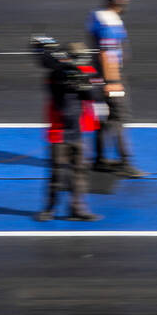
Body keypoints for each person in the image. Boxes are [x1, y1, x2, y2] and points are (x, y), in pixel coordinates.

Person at [36, 40, 102, 222]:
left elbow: (93, 95)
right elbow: (50, 71)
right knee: (57, 172)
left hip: (76, 131)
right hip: (59, 132)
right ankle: (49, 208)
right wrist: (69, 76)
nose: (84, 63)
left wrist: (84, 84)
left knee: (79, 171)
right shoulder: (56, 75)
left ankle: (77, 208)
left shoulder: (84, 74)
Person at [88, 0, 144, 178]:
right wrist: (112, 81)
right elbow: (107, 54)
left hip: (97, 76)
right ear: (116, 1)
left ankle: (100, 159)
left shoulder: (97, 15)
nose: (127, 2)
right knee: (119, 117)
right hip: (110, 78)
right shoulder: (109, 23)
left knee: (103, 118)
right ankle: (124, 162)